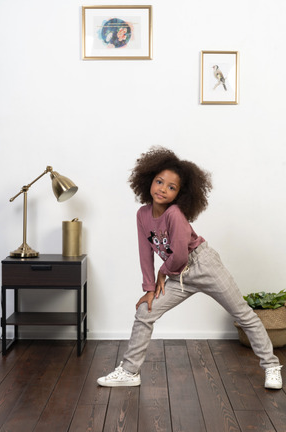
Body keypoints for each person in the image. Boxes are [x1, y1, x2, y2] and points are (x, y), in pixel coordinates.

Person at [97, 147, 283, 389]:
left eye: (171, 187)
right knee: (145, 312)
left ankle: (271, 366)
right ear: (148, 181)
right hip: (177, 275)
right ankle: (130, 371)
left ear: (180, 194)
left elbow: (181, 256)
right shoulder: (142, 214)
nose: (163, 188)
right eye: (159, 182)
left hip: (202, 265)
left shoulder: (175, 215)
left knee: (243, 314)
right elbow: (145, 253)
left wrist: (162, 272)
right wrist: (150, 288)